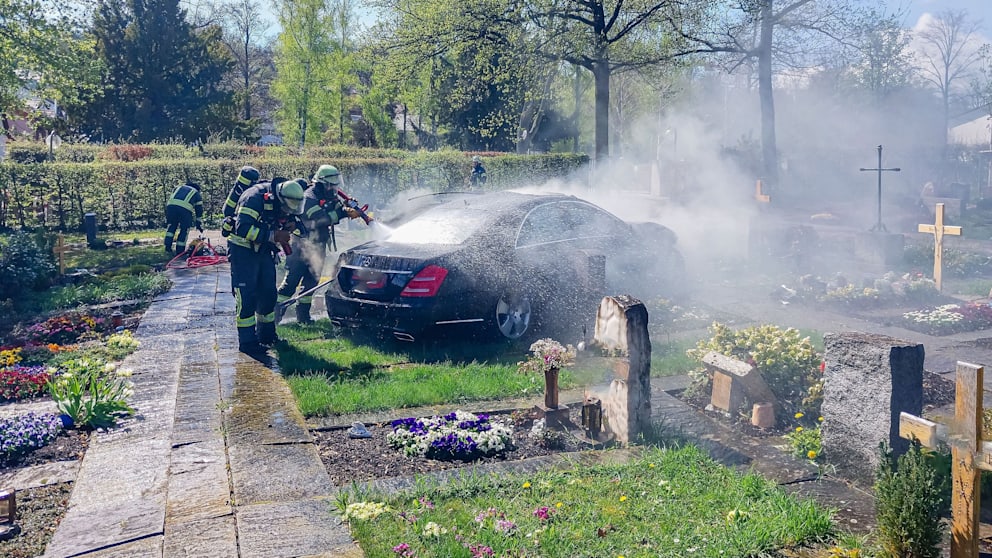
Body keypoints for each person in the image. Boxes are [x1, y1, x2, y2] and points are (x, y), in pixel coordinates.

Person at [227, 177, 306, 353]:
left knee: (268, 295)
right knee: (247, 298)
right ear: (279, 197)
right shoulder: (253, 198)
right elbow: (243, 228)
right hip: (243, 252)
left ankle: (267, 337)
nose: (287, 212)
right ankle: (248, 343)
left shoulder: (284, 199)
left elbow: (294, 219)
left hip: (264, 251)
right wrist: (273, 236)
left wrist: (292, 225)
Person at [276, 165, 361, 323]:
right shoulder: (309, 197)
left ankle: (303, 317)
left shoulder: (329, 197)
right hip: (301, 247)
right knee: (291, 282)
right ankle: (275, 316)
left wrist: (348, 206)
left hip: (318, 246)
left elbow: (336, 208)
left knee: (312, 282)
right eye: (333, 184)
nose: (335, 188)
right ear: (324, 184)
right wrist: (342, 213)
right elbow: (317, 220)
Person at [164, 181, 203, 255]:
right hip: (184, 209)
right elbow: (199, 209)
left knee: (172, 226)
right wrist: (198, 222)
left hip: (171, 207)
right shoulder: (196, 193)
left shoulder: (179, 187)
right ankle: (180, 250)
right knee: (184, 229)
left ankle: (167, 247)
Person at [221, 166, 261, 237]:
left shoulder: (238, 189)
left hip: (234, 217)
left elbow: (227, 211)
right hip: (239, 222)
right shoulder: (250, 193)